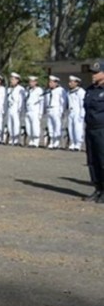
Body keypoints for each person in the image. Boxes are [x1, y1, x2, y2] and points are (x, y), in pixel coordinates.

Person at [82, 59, 104, 203]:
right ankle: (98, 189)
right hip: (90, 128)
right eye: (92, 72)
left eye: (96, 72)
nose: (93, 75)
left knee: (103, 160)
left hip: (102, 129)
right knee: (92, 161)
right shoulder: (90, 89)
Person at [45, 75, 67, 149]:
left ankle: (57, 142)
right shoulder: (48, 91)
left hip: (56, 109)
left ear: (56, 83)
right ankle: (51, 141)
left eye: (51, 82)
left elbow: (63, 101)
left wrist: (62, 111)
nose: (50, 84)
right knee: (50, 126)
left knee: (57, 126)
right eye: (49, 82)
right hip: (49, 109)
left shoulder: (61, 90)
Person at [5, 72, 26, 146]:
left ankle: (16, 139)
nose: (11, 81)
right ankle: (12, 138)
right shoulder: (10, 89)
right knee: (10, 124)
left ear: (17, 80)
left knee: (16, 124)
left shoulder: (20, 89)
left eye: (13, 79)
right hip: (10, 108)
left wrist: (20, 110)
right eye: (11, 79)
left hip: (16, 108)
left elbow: (21, 100)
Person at [67, 75, 86, 151]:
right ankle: (73, 142)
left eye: (71, 82)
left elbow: (82, 104)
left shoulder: (81, 92)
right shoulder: (69, 92)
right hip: (71, 111)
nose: (70, 83)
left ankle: (78, 144)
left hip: (77, 112)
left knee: (78, 128)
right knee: (71, 128)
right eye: (70, 82)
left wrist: (82, 114)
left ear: (76, 83)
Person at [25, 76, 44, 147]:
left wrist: (40, 113)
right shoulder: (29, 90)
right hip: (28, 110)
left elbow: (41, 102)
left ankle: (36, 141)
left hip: (35, 110)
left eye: (32, 81)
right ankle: (31, 140)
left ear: (36, 82)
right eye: (30, 81)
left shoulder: (39, 90)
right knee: (29, 126)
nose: (31, 83)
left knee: (35, 126)